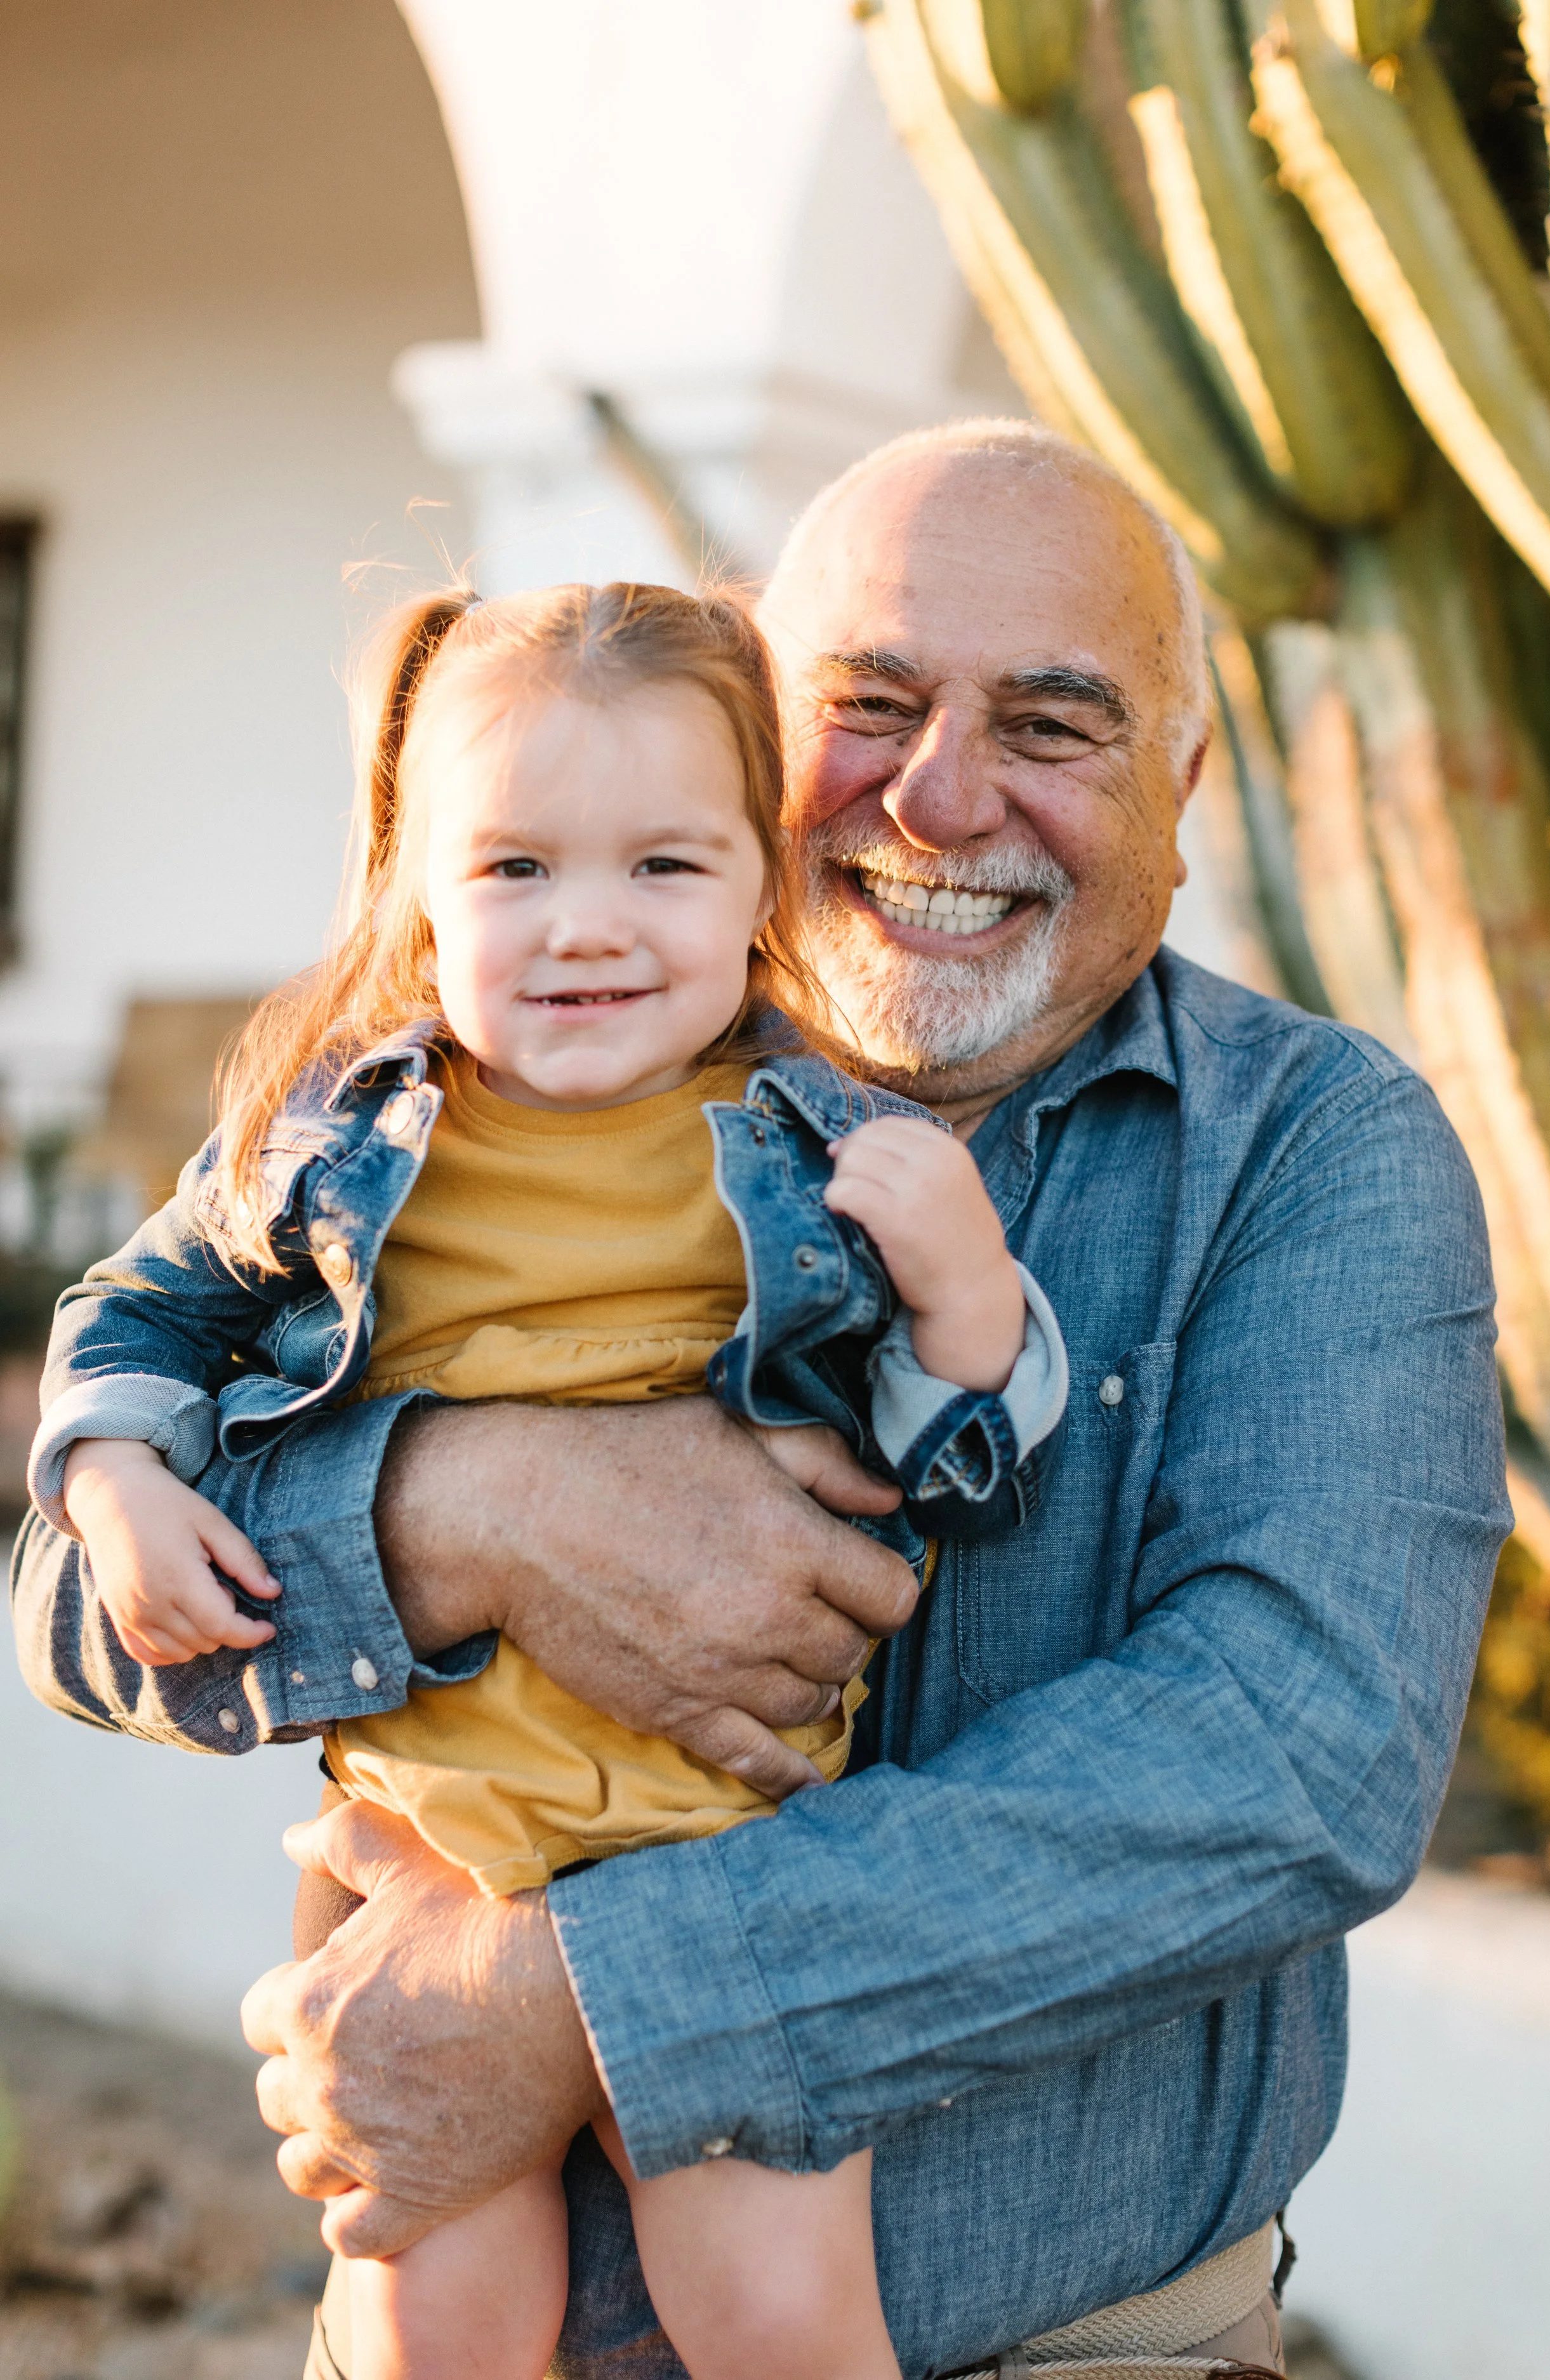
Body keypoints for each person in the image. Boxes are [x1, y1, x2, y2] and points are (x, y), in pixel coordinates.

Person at [12, 420, 1511, 2380]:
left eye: (1049, 726)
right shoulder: (447, 1102)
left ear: (1183, 781)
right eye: (865, 706)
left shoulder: (1314, 1149)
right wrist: (455, 1505)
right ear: (750, 731)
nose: (941, 793)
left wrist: (577, 1999)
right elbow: (70, 1606)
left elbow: (1294, 1758)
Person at [25, 579, 1065, 2380]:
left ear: (762, 889)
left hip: (727, 1866)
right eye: (513, 869)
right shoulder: (338, 1139)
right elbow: (146, 1305)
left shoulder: (824, 1151)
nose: (585, 928)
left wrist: (969, 1310)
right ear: (419, 892)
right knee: (440, 2327)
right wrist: (116, 1470)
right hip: (429, 1856)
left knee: (781, 2319)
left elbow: (931, 1488)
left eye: (662, 866)